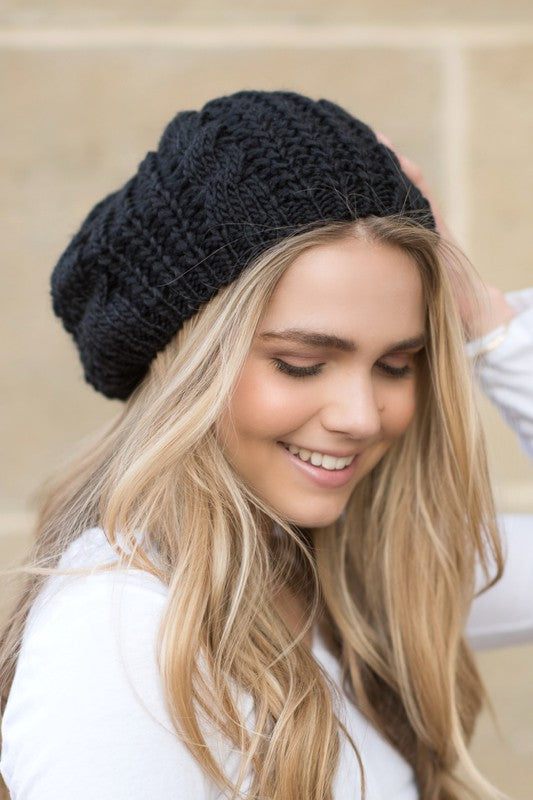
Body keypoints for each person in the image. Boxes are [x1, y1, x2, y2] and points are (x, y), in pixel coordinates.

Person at [0, 90, 531, 800]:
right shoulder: (123, 633)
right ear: (188, 367)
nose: (360, 417)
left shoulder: (360, 570)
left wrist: (483, 313)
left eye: (395, 364)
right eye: (300, 364)